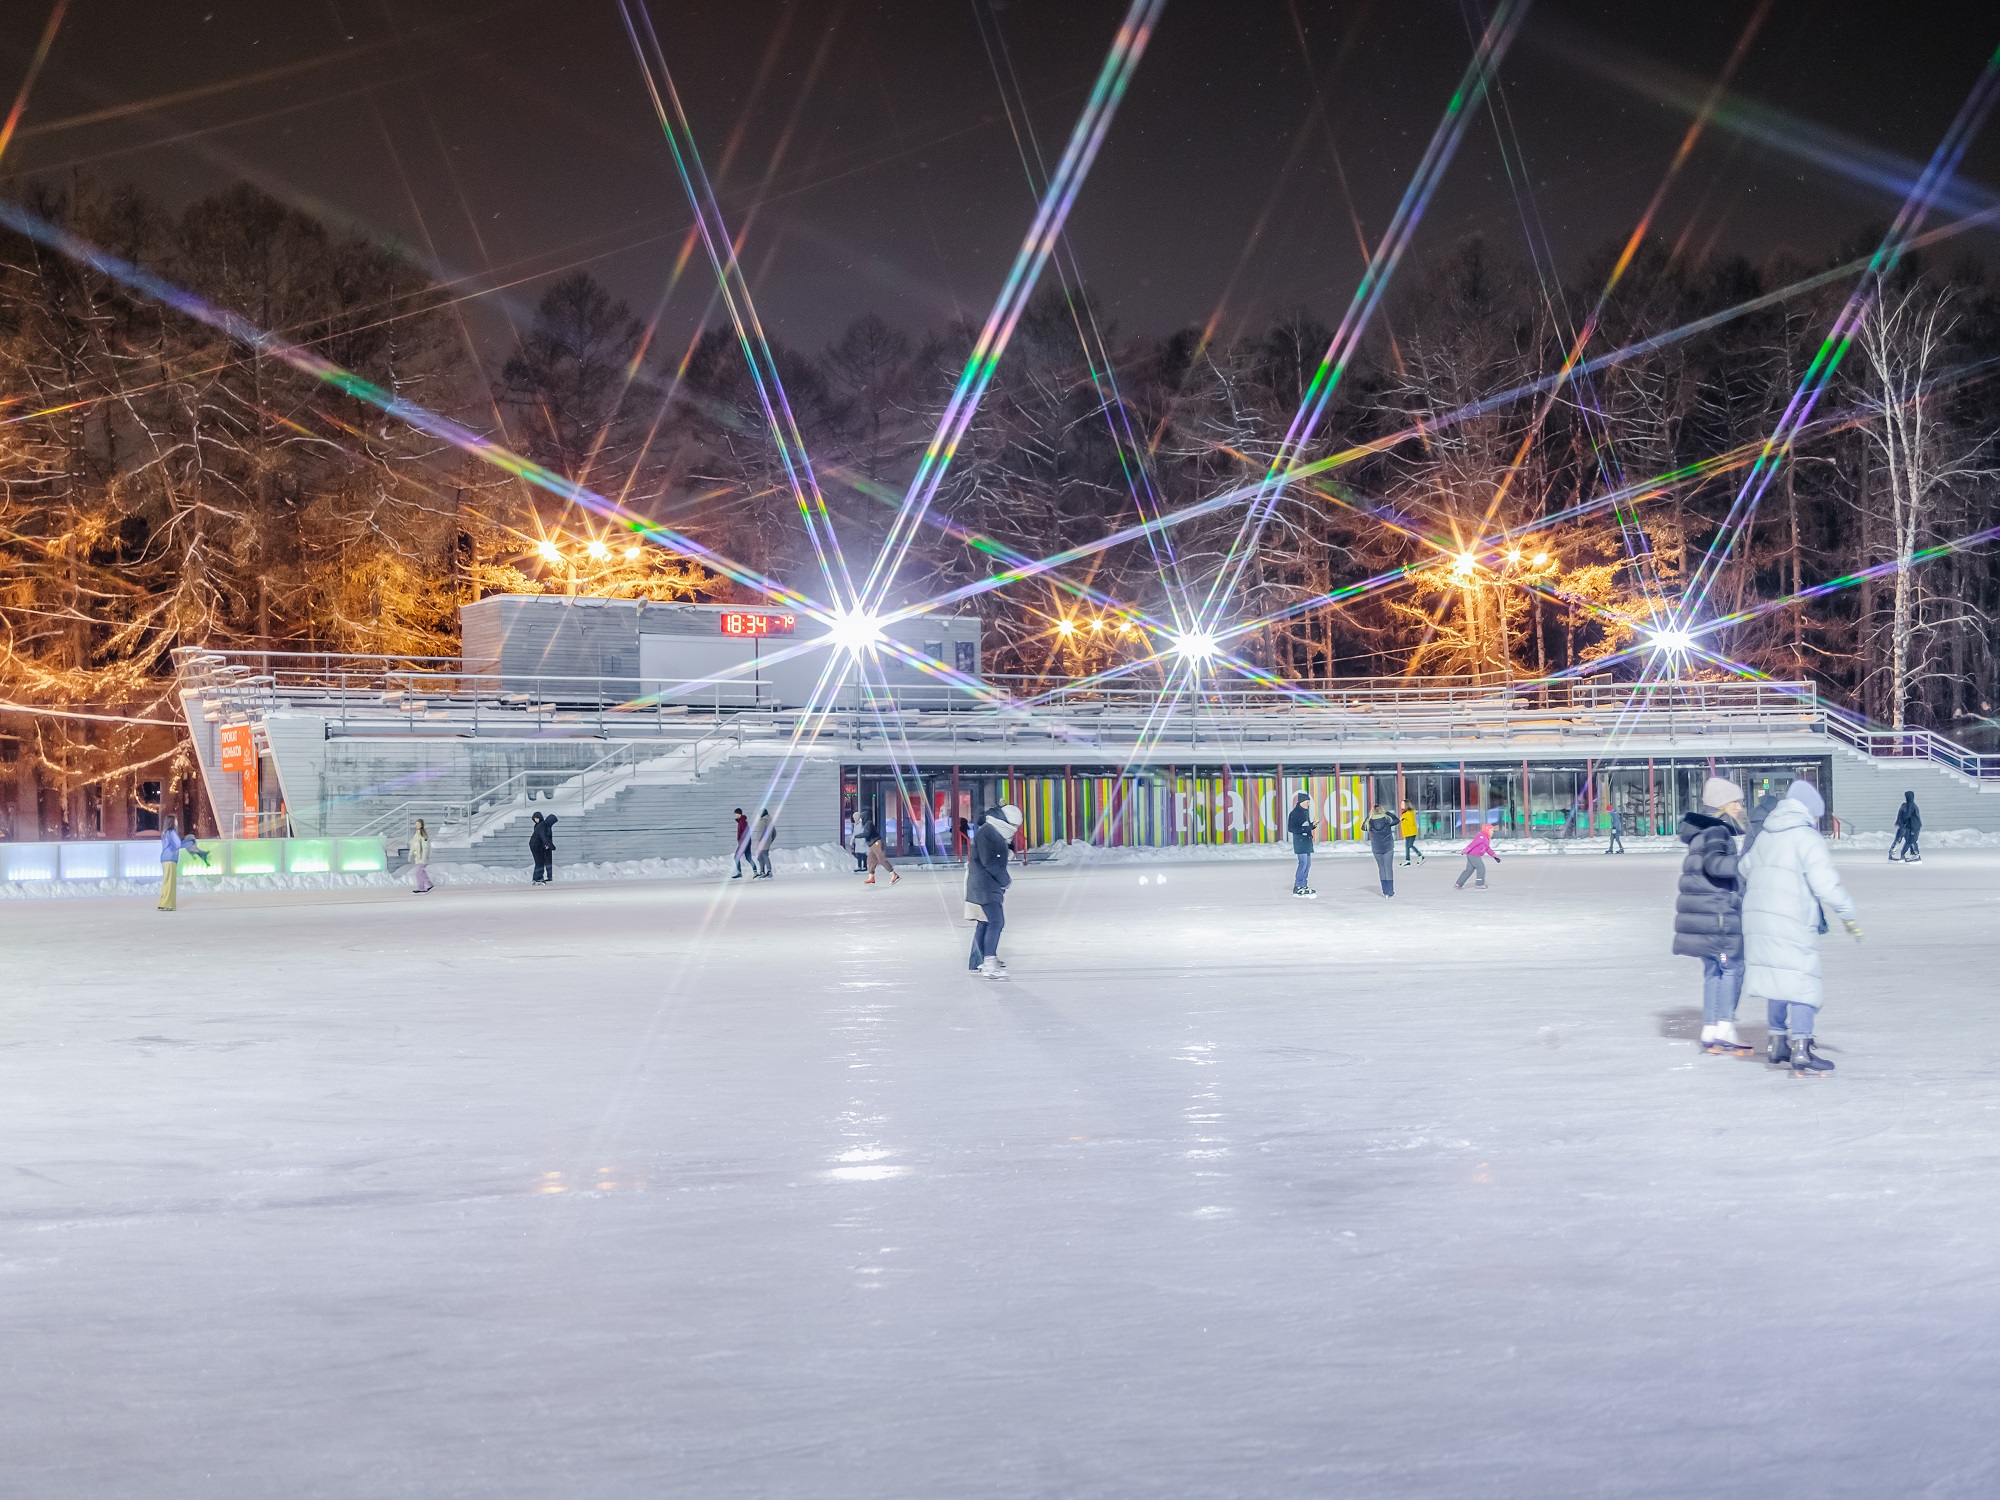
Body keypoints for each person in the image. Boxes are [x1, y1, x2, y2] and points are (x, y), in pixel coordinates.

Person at [1739, 780, 1860, 1076]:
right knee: (1802, 981)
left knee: (1778, 977)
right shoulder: (1806, 838)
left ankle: (1777, 1042)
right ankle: (1802, 1048)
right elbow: (1826, 884)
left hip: (1760, 918)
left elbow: (1744, 867)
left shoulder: (1768, 834)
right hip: (1790, 918)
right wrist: (1848, 914)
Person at [1673, 777, 1749, 1057]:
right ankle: (1725, 1027)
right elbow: (1716, 865)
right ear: (1723, 804)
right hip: (1718, 915)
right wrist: (1746, 863)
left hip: (1706, 915)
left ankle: (1711, 1028)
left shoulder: (1700, 832)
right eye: (1737, 801)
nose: (1741, 806)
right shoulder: (1717, 831)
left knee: (1714, 970)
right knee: (1732, 968)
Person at [966, 802, 1022, 980]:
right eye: (1014, 826)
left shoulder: (993, 831)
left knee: (984, 922)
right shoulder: (989, 833)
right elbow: (991, 862)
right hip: (985, 886)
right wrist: (1005, 881)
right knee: (996, 922)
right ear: (1006, 822)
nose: (1015, 830)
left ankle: (977, 962)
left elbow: (997, 857)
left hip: (983, 885)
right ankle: (989, 963)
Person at [157, 818, 207, 911]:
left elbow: (176, 844)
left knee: (166, 882)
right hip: (171, 859)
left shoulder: (165, 834)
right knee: (170, 883)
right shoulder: (172, 832)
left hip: (165, 859)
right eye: (176, 821)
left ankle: (163, 902)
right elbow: (179, 844)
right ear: (172, 823)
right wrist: (190, 842)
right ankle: (168, 904)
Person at [1286, 791, 1317, 898]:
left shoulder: (1305, 812)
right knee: (1303, 863)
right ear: (1301, 802)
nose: (1308, 804)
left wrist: (1312, 826)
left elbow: (1306, 826)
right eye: (1307, 802)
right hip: (1299, 842)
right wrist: (1307, 828)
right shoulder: (1294, 813)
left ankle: (1304, 885)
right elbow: (1291, 828)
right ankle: (1298, 886)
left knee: (1308, 864)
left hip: (1307, 841)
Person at [1364, 804, 1398, 896]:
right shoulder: (1387, 819)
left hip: (1376, 848)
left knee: (1382, 869)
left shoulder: (1370, 822)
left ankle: (1385, 890)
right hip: (1388, 847)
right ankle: (1390, 891)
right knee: (1388, 869)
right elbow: (1397, 820)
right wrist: (1388, 813)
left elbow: (1363, 827)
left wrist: (1369, 816)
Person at [1454, 822, 1499, 889]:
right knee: (1481, 868)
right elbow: (1474, 843)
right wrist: (1466, 849)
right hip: (1474, 855)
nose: (1492, 832)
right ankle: (1479, 884)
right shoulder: (1482, 836)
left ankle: (1458, 884)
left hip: (1471, 854)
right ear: (1487, 830)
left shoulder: (1486, 838)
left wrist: (1494, 856)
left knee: (1469, 870)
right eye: (1491, 830)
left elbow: (1487, 848)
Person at [865, 813, 899, 886]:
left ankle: (893, 874)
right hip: (873, 844)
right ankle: (871, 877)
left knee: (881, 858)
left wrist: (858, 835)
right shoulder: (867, 824)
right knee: (870, 859)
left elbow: (866, 833)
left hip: (876, 843)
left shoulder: (869, 824)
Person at [1889, 791, 1922, 863]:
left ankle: (1899, 855)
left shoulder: (1907, 806)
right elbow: (1907, 815)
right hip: (1907, 826)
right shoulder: (1910, 805)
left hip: (1907, 826)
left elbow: (1906, 815)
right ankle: (1911, 855)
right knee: (1909, 841)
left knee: (1906, 840)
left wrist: (1899, 822)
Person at [410, 819, 434, 894]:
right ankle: (421, 887)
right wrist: (410, 854)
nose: (416, 825)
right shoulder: (416, 834)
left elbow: (425, 847)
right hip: (418, 857)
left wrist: (424, 857)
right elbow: (413, 845)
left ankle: (429, 885)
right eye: (416, 824)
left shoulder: (423, 834)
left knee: (419, 872)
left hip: (422, 857)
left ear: (421, 825)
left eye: (418, 824)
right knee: (420, 872)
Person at [751, 808, 775, 878]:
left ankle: (768, 871)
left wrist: (758, 841)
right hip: (766, 842)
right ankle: (763, 871)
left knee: (763, 856)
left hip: (762, 842)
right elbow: (774, 832)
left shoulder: (763, 821)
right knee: (761, 857)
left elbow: (760, 833)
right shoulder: (770, 821)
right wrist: (770, 840)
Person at [733, 807, 751, 879]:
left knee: (736, 857)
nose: (735, 815)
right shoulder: (741, 822)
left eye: (736, 814)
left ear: (740, 814)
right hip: (744, 843)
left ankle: (739, 872)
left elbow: (746, 833)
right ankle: (755, 871)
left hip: (743, 843)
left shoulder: (742, 822)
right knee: (748, 858)